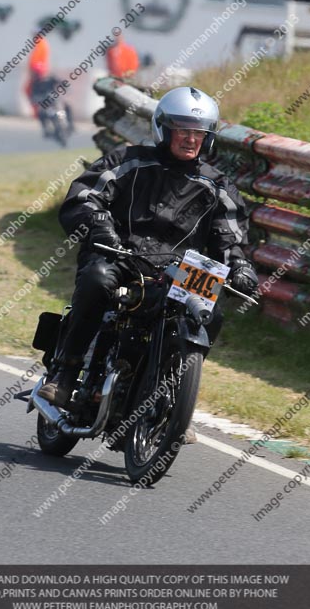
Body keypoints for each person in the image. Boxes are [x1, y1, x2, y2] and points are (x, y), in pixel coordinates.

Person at [39, 86, 258, 406]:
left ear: (208, 137)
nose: (191, 139)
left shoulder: (218, 186)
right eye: (182, 130)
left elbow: (230, 236)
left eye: (199, 132)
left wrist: (240, 266)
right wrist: (101, 228)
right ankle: (66, 372)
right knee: (98, 279)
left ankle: (169, 391)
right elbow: (85, 197)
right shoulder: (128, 161)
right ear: (164, 128)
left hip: (179, 270)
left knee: (211, 314)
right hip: (119, 254)